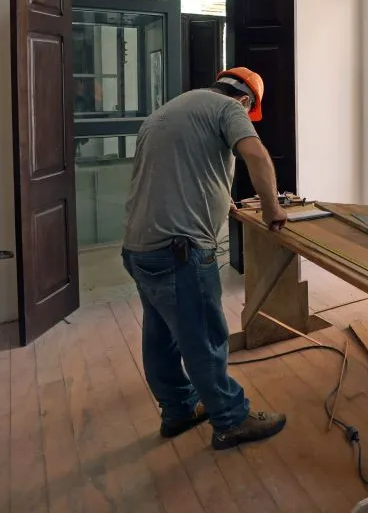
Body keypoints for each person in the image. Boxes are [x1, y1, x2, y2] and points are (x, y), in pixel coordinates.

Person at [120, 66, 290, 451]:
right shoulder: (229, 110)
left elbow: (174, 173)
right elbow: (257, 156)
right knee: (204, 337)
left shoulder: (168, 111)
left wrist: (218, 198)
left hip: (139, 247)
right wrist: (272, 209)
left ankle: (178, 409)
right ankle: (230, 419)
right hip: (179, 250)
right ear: (245, 101)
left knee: (161, 335)